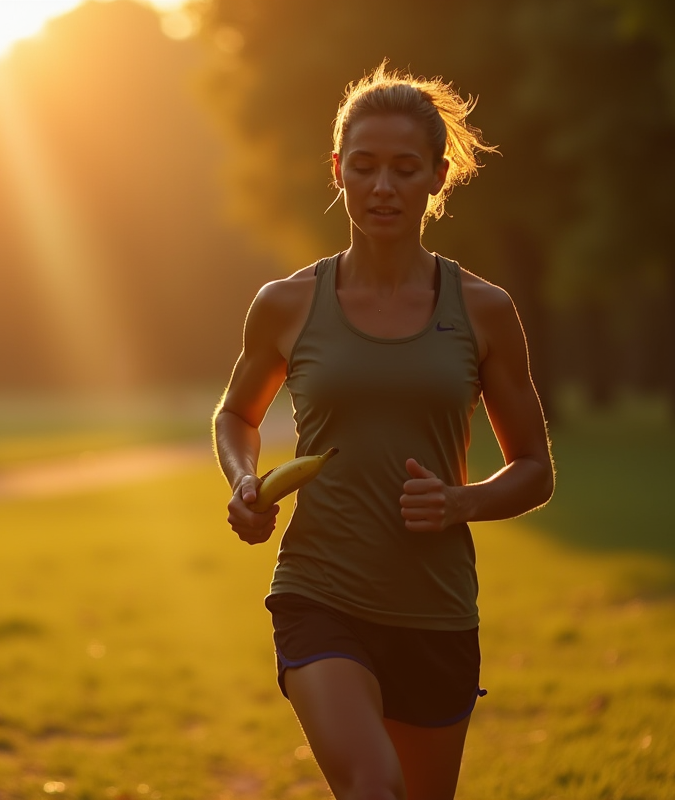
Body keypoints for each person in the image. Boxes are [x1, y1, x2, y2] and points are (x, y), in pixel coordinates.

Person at [213, 63, 554, 800]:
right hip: (319, 593)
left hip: (435, 608)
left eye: (405, 169)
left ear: (437, 177)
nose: (382, 186)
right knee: (374, 786)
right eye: (363, 167)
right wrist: (244, 480)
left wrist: (463, 502)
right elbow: (236, 415)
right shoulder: (286, 304)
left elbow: (535, 468)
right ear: (337, 171)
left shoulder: (486, 311)